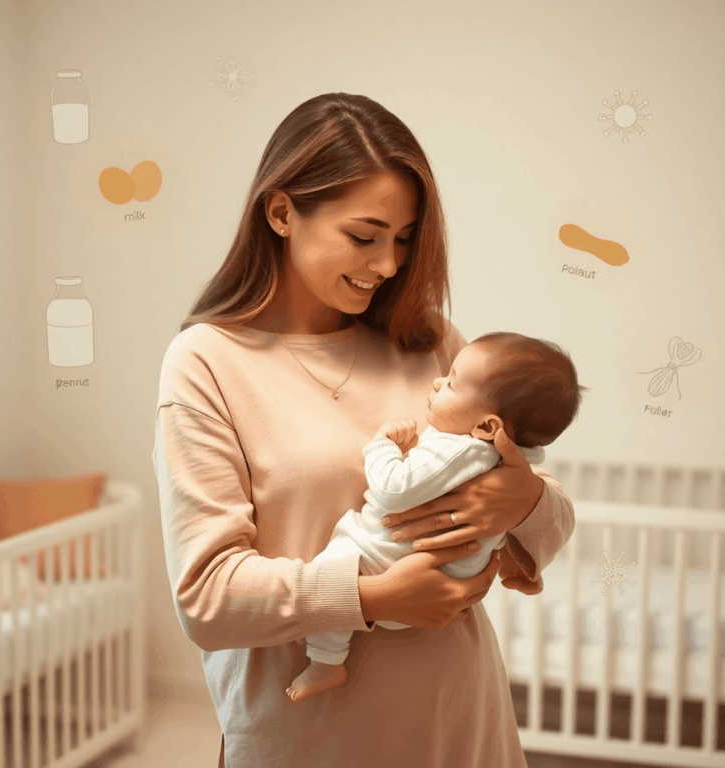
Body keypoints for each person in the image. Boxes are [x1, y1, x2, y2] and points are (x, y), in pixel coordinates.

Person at [152, 92, 575, 768]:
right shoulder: (208, 362)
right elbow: (207, 599)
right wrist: (371, 597)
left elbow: (545, 530)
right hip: (307, 736)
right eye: (364, 235)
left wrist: (525, 498)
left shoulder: (432, 344)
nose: (388, 265)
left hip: (458, 722)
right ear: (282, 211)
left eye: (405, 240)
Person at [289, 332, 586, 702]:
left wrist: (381, 445)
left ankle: (327, 661)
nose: (436, 381)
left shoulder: (457, 448)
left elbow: (393, 488)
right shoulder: (495, 454)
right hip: (435, 584)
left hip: (387, 562)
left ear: (488, 427)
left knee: (330, 568)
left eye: (451, 382)